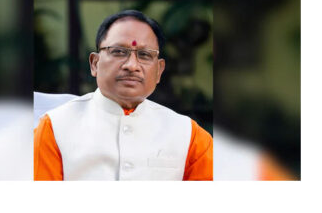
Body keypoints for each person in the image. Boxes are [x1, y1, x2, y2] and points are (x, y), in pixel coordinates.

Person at [34, 10, 213, 180]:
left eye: (144, 54)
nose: (132, 66)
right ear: (95, 63)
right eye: (119, 52)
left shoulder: (188, 135)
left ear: (159, 70)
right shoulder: (55, 127)